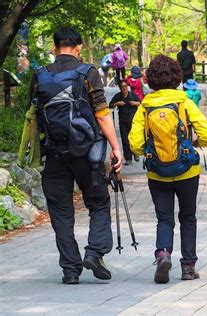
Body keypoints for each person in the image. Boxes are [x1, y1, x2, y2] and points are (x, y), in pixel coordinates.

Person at [31, 27, 123, 285]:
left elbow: (35, 115)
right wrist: (116, 148)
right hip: (87, 153)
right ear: (79, 47)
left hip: (54, 152)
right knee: (98, 202)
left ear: (54, 47)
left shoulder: (40, 75)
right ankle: (94, 252)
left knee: (60, 211)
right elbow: (102, 114)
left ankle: (70, 269)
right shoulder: (88, 73)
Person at [129, 55, 207, 284]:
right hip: (187, 171)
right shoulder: (184, 102)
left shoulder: (145, 106)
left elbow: (135, 144)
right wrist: (195, 143)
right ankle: (188, 267)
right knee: (188, 217)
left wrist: (149, 148)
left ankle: (163, 253)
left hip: (157, 172)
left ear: (150, 79)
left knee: (164, 218)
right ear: (177, 77)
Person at [110, 80, 141, 165]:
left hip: (132, 119)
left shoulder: (132, 94)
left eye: (125, 86)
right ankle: (128, 159)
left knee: (134, 138)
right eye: (122, 87)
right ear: (120, 88)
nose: (124, 88)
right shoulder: (118, 96)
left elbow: (140, 102)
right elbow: (110, 105)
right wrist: (117, 103)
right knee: (125, 139)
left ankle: (136, 153)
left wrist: (134, 103)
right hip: (122, 120)